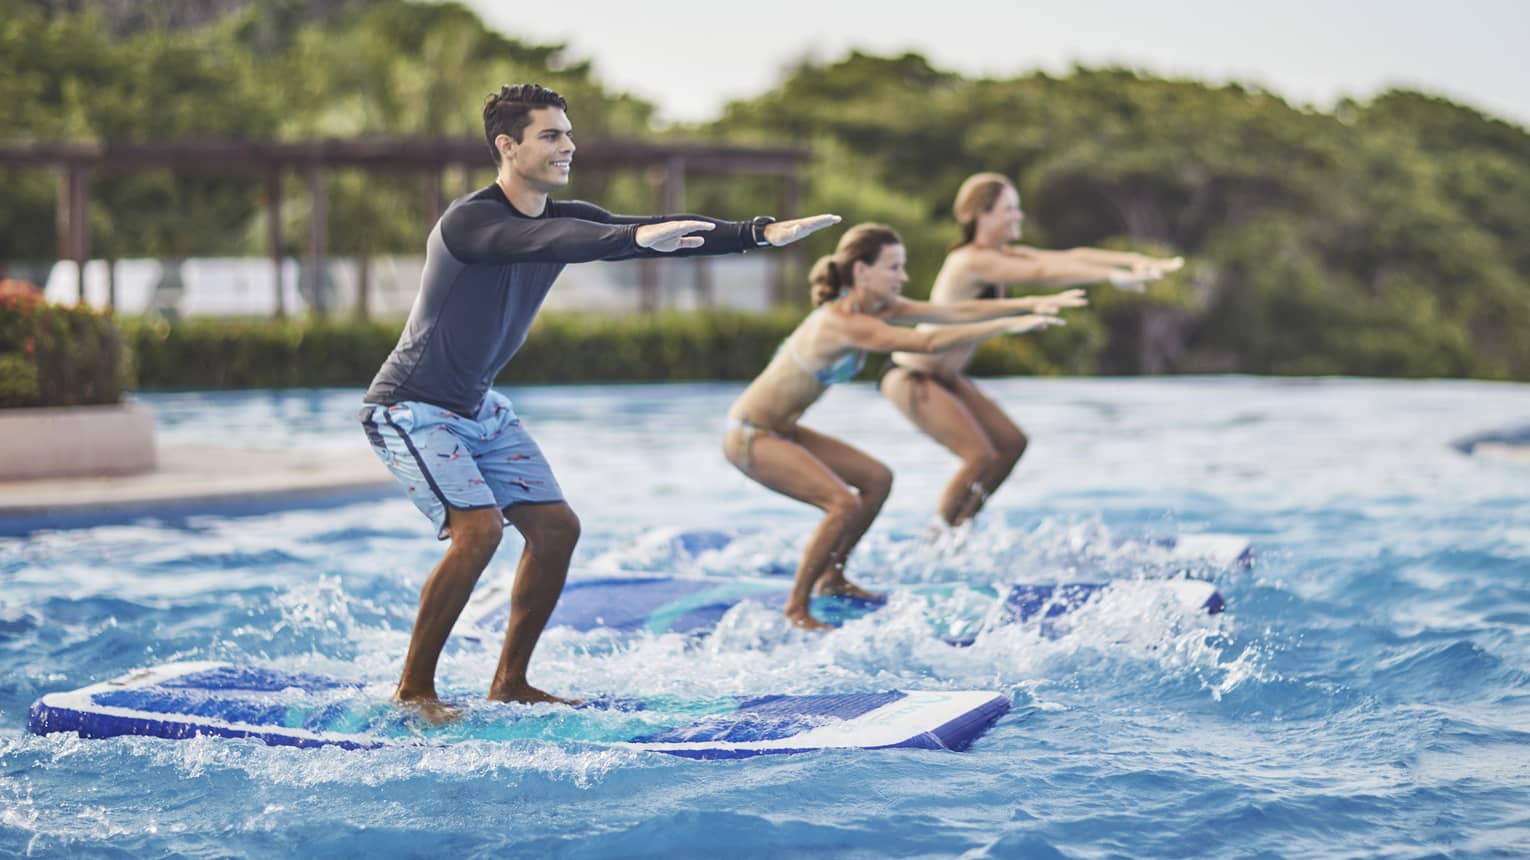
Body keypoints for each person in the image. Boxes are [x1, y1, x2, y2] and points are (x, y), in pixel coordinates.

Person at [359, 83, 840, 721]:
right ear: (508, 145)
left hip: (479, 408)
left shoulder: (565, 214)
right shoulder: (471, 221)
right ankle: (414, 691)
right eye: (551, 135)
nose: (568, 146)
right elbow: (553, 243)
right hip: (411, 406)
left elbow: (649, 229)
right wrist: (633, 242)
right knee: (478, 533)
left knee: (556, 530)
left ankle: (510, 681)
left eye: (568, 133)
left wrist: (759, 232)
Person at [723, 223, 1086, 629]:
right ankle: (796, 608)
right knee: (842, 503)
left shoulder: (877, 308)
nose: (903, 277)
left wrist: (1034, 303)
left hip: (783, 429)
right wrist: (1007, 326)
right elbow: (927, 343)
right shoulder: (842, 322)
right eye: (894, 268)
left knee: (877, 479)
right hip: (750, 435)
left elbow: (953, 313)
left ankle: (832, 576)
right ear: (861, 271)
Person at [879, 172, 1184, 528]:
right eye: (1009, 209)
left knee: (1011, 444)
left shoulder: (1000, 254)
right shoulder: (971, 261)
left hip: (945, 377)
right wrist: (1112, 278)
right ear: (982, 215)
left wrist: (1131, 262)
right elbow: (1043, 272)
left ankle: (960, 530)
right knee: (978, 456)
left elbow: (1068, 257)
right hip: (911, 376)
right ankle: (938, 539)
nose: (1018, 216)